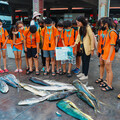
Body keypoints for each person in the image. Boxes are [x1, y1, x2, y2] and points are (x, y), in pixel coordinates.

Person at [73, 16, 94, 80]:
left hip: (87, 47)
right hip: (82, 47)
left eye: (78, 22)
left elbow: (92, 38)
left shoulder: (88, 27)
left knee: (86, 61)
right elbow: (78, 37)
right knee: (83, 60)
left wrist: (92, 49)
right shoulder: (80, 28)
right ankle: (83, 73)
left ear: (82, 22)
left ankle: (85, 75)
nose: (77, 24)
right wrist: (75, 44)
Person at [100, 17, 117, 91]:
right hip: (105, 54)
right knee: (107, 70)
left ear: (106, 24)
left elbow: (112, 46)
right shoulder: (108, 31)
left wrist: (109, 58)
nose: (101, 25)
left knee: (109, 70)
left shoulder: (112, 32)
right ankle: (107, 82)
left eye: (102, 23)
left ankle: (110, 85)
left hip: (108, 55)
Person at [95, 17, 108, 85]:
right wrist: (97, 49)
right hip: (101, 50)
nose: (101, 25)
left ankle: (106, 79)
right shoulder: (100, 30)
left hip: (106, 50)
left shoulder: (109, 31)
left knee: (107, 66)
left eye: (102, 24)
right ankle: (101, 77)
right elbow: (99, 40)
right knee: (101, 64)